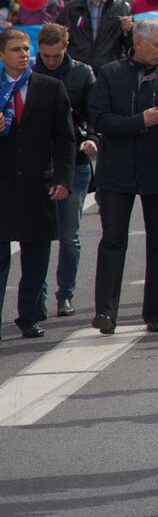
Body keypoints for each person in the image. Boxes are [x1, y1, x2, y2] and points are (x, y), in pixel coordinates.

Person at [88, 18, 158, 335]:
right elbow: (100, 119)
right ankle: (106, 312)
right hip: (116, 172)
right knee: (113, 241)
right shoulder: (110, 73)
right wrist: (140, 122)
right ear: (139, 42)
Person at [0, 28, 75, 339]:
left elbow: (65, 138)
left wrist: (63, 178)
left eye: (26, 48)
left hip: (38, 184)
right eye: (16, 49)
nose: (23, 54)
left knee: (36, 255)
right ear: (2, 55)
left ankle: (29, 316)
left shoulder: (50, 87)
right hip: (2, 186)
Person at [33, 23, 96, 319]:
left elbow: (96, 112)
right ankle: (37, 297)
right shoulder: (27, 74)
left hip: (74, 163)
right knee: (37, 236)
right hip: (36, 165)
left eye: (57, 55)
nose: (51, 61)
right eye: (46, 56)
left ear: (66, 48)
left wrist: (93, 139)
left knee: (69, 236)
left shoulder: (82, 73)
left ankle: (65, 294)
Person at [61, 0, 133, 70]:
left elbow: (131, 47)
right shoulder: (71, 8)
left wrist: (128, 31)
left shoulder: (121, 8)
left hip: (109, 71)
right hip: (78, 70)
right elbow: (59, 39)